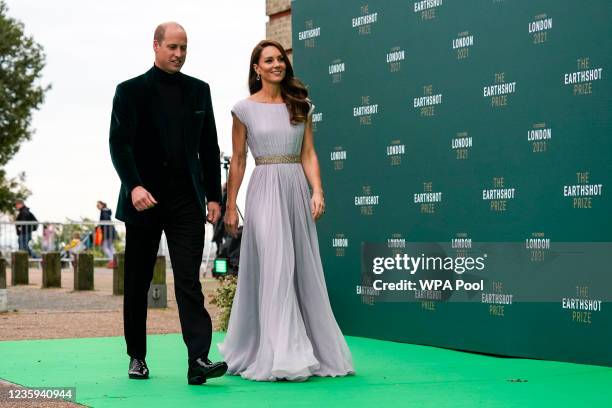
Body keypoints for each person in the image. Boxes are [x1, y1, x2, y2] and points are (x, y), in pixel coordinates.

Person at [218, 40, 354, 381]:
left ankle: (303, 350)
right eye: (269, 60)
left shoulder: (301, 106)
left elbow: (308, 153)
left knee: (298, 268)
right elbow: (238, 158)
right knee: (274, 265)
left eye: (280, 59)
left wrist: (318, 190)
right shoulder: (243, 109)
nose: (277, 64)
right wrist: (230, 204)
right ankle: (278, 354)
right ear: (257, 68)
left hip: (294, 187)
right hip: (263, 188)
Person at [109, 22, 227, 384]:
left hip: (186, 202)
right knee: (139, 282)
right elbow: (119, 144)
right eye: (172, 47)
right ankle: (137, 357)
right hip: (144, 200)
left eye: (184, 48)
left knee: (189, 280)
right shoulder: (128, 91)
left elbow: (209, 147)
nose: (178, 54)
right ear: (156, 46)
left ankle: (199, 360)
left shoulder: (198, 91)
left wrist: (213, 196)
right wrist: (133, 186)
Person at [96, 201, 117, 268]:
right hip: (110, 231)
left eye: (98, 205)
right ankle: (115, 259)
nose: (97, 206)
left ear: (102, 205)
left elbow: (104, 220)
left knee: (105, 247)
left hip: (107, 232)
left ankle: (112, 260)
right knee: (110, 246)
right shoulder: (107, 211)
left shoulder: (104, 211)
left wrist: (98, 226)